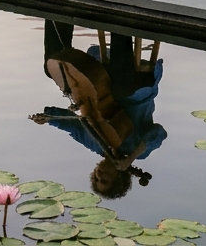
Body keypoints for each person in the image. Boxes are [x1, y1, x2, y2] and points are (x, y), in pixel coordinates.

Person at [29, 22, 165, 199]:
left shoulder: (94, 144)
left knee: (53, 68)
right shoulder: (139, 152)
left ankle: (58, 17)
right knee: (120, 88)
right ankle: (120, 24)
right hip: (136, 93)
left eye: (96, 178)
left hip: (102, 85)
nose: (99, 174)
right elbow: (159, 133)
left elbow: (71, 125)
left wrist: (48, 118)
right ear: (119, 177)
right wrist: (131, 157)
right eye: (105, 180)